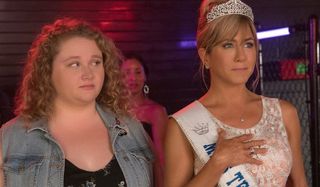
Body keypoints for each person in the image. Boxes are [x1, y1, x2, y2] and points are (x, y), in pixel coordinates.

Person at [164, 0, 308, 186]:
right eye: (228, 45)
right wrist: (218, 163)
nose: (241, 56)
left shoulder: (285, 113)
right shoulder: (182, 125)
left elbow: (300, 183)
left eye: (248, 44)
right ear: (205, 56)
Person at [0, 18, 153, 187]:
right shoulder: (11, 138)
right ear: (47, 71)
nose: (88, 73)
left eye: (95, 62)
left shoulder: (130, 128)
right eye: (74, 64)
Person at [120, 54, 167, 187]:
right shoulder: (111, 111)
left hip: (146, 177)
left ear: (145, 76)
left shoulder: (156, 111)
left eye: (138, 72)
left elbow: (161, 157)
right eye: (127, 73)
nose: (132, 78)